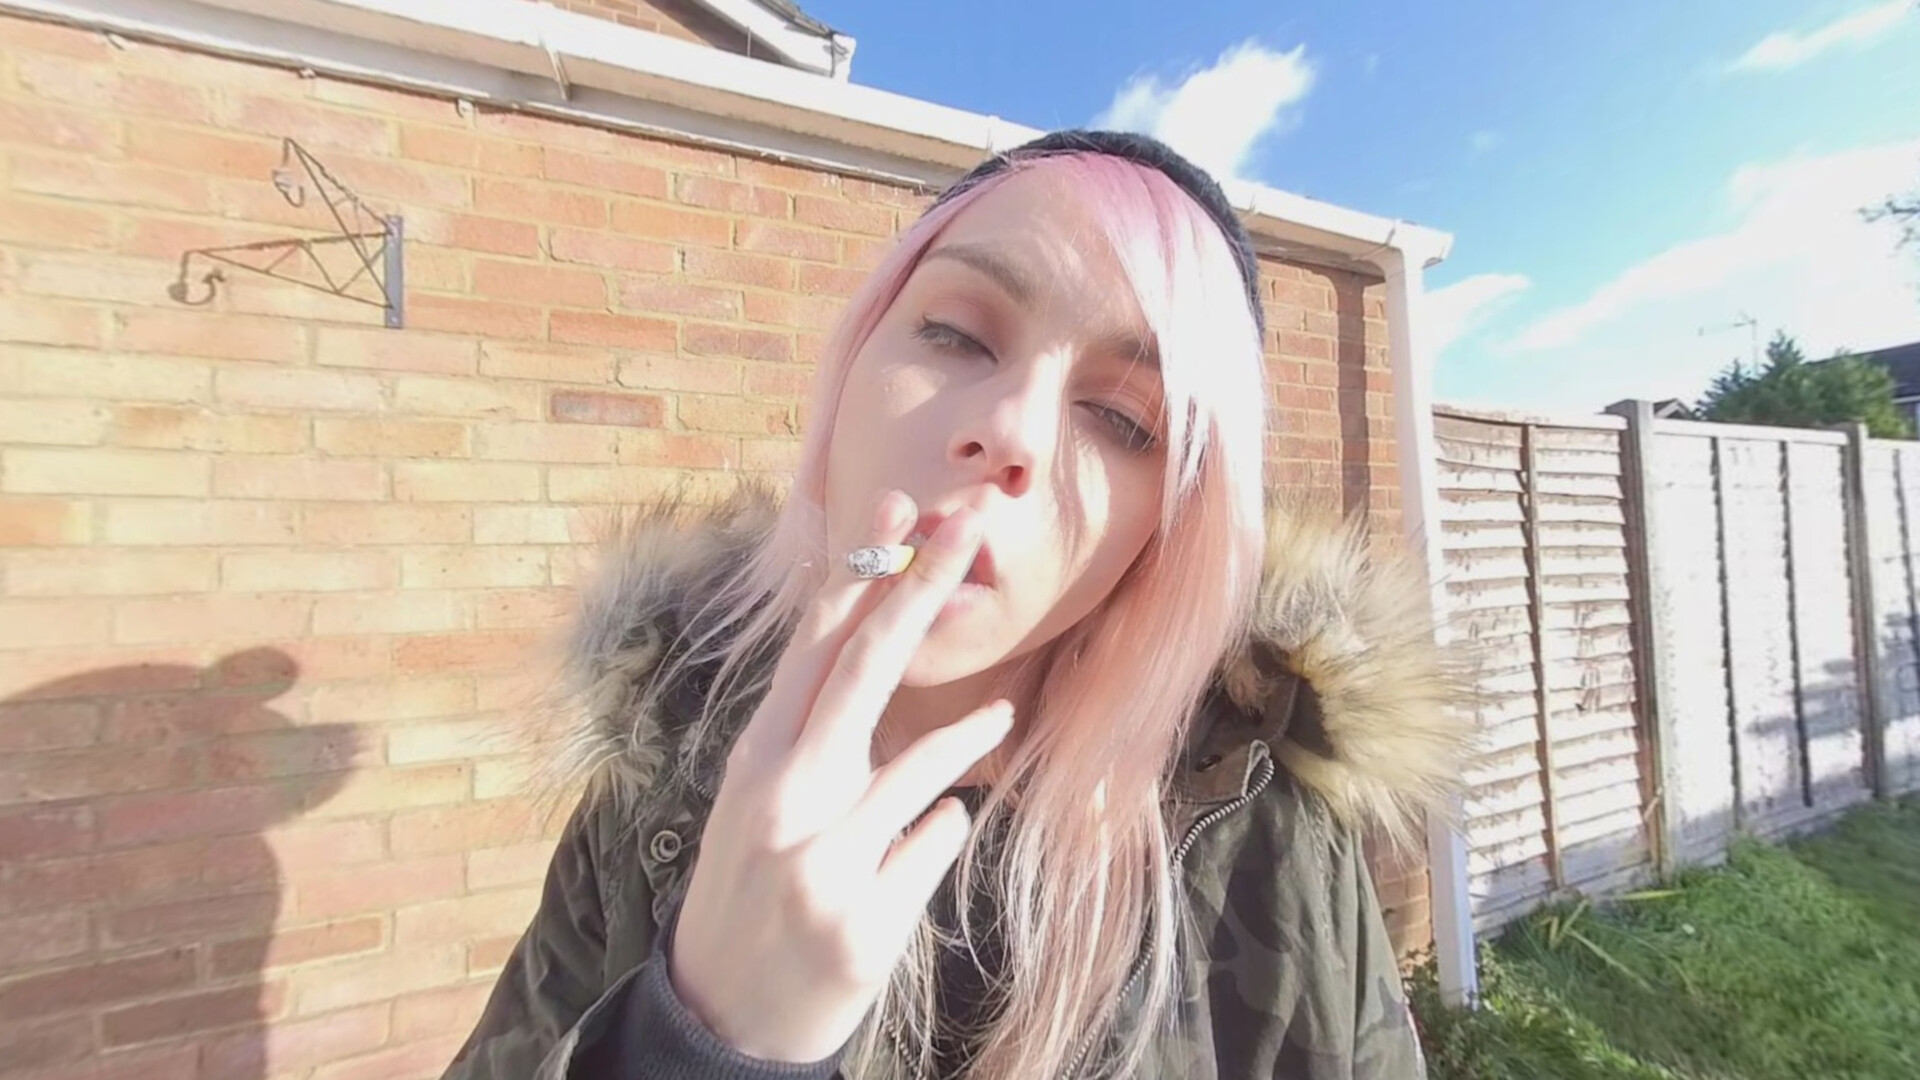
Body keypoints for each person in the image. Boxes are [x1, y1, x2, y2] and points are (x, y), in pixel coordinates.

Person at [442, 130, 1467, 1080]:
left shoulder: (1270, 832)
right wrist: (698, 1041)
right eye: (955, 335)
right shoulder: (656, 772)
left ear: (1169, 530)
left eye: (1121, 417)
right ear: (851, 370)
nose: (1011, 429)